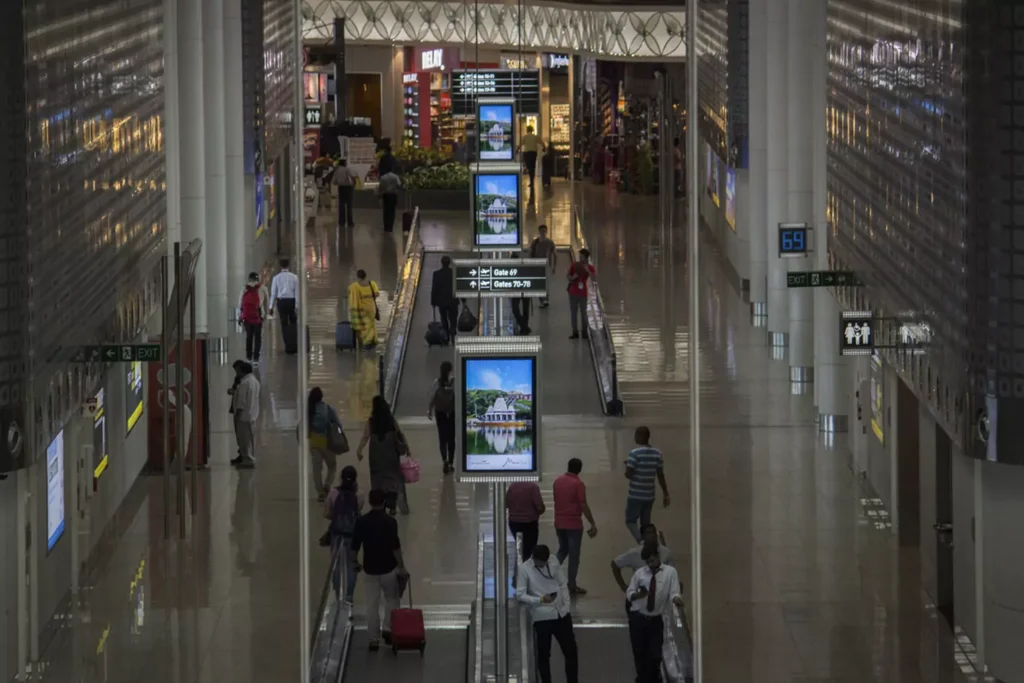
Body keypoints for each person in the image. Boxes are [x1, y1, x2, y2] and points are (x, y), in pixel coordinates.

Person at [351, 488, 409, 651]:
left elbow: (355, 546)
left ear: (370, 502)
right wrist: (402, 566)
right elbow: (395, 547)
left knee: (372, 605)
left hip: (370, 569)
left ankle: (373, 639)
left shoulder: (361, 522)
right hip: (389, 568)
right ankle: (388, 629)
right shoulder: (390, 522)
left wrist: (355, 562)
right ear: (384, 502)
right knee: (392, 600)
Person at [516, 545, 578, 683]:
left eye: (546, 561)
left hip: (560, 613)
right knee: (544, 655)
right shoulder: (524, 569)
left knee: (571, 651)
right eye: (541, 562)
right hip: (542, 616)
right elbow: (520, 595)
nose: (544, 564)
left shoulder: (553, 561)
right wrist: (540, 600)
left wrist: (566, 605)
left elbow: (563, 583)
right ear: (534, 559)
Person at [626, 547, 684, 683]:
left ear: (658, 556)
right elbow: (629, 593)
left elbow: (674, 592)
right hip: (638, 617)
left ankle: (653, 677)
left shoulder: (670, 573)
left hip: (655, 619)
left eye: (652, 560)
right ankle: (642, 678)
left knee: (655, 653)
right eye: (647, 562)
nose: (650, 564)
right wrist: (637, 595)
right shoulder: (640, 574)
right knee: (639, 651)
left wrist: (676, 599)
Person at [356, 396, 410, 515]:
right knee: (392, 479)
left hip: (376, 455)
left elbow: (365, 436)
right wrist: (407, 448)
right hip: (391, 454)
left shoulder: (371, 421)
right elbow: (400, 434)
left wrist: (359, 450)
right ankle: (392, 505)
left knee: (378, 480)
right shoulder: (390, 420)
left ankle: (381, 503)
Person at [552, 458, 597, 595]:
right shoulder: (578, 484)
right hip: (573, 524)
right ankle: (571, 584)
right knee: (574, 555)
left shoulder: (557, 481)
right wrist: (592, 522)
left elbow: (556, 499)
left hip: (559, 522)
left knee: (562, 550)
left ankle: (547, 573)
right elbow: (582, 504)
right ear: (580, 469)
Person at [323, 465, 364, 602]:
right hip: (352, 535)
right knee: (351, 563)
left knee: (336, 564)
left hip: (336, 534)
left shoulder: (333, 492)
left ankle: (337, 594)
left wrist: (336, 517)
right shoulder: (359, 494)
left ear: (341, 478)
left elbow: (327, 513)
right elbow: (357, 512)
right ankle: (349, 595)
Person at [624, 426, 670, 543]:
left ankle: (643, 542)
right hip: (649, 495)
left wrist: (627, 466)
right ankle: (652, 541)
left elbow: (628, 474)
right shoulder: (657, 454)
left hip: (635, 495)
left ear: (639, 437)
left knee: (630, 521)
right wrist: (666, 493)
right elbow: (660, 475)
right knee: (645, 524)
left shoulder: (634, 454)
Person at [611, 524, 674, 594]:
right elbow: (615, 564)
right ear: (643, 536)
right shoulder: (635, 553)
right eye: (648, 533)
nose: (652, 535)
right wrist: (623, 587)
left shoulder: (666, 552)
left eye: (653, 532)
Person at [308, 387, 342, 502]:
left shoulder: (309, 410)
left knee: (316, 469)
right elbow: (338, 425)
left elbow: (301, 427)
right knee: (332, 466)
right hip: (327, 442)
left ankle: (320, 493)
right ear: (322, 397)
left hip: (314, 443)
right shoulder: (328, 409)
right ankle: (327, 485)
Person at [229, 360, 260, 468]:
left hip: (243, 416)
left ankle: (248, 460)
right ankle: (247, 457)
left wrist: (237, 414)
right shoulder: (254, 381)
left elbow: (241, 401)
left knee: (244, 439)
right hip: (252, 414)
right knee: (249, 439)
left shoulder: (244, 383)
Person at [427, 361, 456, 473]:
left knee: (442, 437)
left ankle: (444, 460)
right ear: (450, 370)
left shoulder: (437, 382)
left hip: (440, 413)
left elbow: (432, 397)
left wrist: (429, 410)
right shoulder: (454, 382)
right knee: (451, 438)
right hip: (451, 412)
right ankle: (451, 463)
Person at [506, 480, 544, 561]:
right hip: (530, 523)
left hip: (514, 522)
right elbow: (540, 506)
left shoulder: (512, 486)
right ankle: (527, 568)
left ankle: (520, 566)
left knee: (520, 546)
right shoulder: (533, 487)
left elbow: (507, 504)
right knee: (530, 548)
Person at [238, 271, 269, 364]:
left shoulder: (244, 288)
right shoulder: (263, 288)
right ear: (257, 279)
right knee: (258, 337)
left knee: (249, 337)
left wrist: (241, 315)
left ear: (249, 279)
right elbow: (267, 302)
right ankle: (256, 358)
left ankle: (248, 357)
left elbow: (240, 303)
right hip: (258, 316)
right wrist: (266, 314)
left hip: (247, 317)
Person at [269, 259, 299, 352]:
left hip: (281, 302)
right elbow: (297, 292)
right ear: (289, 266)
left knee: (284, 324)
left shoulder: (276, 278)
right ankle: (294, 345)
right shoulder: (295, 277)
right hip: (292, 301)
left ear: (280, 266)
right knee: (293, 323)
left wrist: (271, 307)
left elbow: (273, 293)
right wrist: (297, 306)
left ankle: (287, 346)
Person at [567, 248, 596, 340]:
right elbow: (568, 275)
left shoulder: (589, 267)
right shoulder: (575, 265)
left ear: (586, 258)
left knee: (584, 313)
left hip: (583, 292)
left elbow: (594, 278)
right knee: (574, 313)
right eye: (579, 256)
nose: (580, 258)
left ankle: (584, 332)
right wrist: (572, 277)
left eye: (582, 257)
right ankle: (574, 331)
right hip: (573, 292)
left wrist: (588, 270)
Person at [347, 269, 380, 348]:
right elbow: (377, 294)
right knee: (371, 324)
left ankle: (367, 342)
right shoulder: (372, 283)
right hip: (371, 307)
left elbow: (349, 293)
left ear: (357, 276)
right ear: (365, 276)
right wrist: (369, 297)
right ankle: (373, 340)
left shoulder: (354, 286)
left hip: (362, 309)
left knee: (365, 325)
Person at [430, 255, 458, 340]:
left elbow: (434, 288)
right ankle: (452, 331)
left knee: (443, 317)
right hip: (453, 300)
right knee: (453, 317)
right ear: (449, 263)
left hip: (441, 301)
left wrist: (433, 301)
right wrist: (463, 299)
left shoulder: (436, 274)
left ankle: (446, 334)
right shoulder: (454, 273)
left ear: (442, 263)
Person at [528, 224, 557, 308]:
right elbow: (530, 253)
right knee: (538, 284)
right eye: (541, 231)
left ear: (546, 232)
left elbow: (555, 254)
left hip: (546, 265)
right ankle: (542, 300)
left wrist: (554, 266)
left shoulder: (550, 242)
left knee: (545, 283)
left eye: (544, 231)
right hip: (537, 265)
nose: (543, 232)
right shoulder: (535, 242)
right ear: (539, 232)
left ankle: (546, 300)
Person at [508, 252, 531, 334]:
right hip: (523, 290)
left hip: (519, 290)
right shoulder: (521, 268)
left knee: (516, 309)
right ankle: (524, 326)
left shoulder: (515, 269)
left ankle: (524, 327)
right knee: (524, 310)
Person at [333, 157, 357, 228]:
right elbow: (352, 177)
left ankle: (341, 222)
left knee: (341, 205)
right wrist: (354, 183)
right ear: (344, 163)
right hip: (348, 188)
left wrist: (339, 182)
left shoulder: (337, 171)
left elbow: (334, 181)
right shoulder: (347, 169)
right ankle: (350, 222)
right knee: (349, 206)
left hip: (341, 188)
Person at [520, 125, 544, 190]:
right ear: (532, 130)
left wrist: (517, 149)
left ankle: (531, 180)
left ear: (527, 130)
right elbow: (542, 143)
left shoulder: (524, 137)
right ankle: (532, 181)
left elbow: (520, 144)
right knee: (533, 167)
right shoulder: (536, 137)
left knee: (529, 167)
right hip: (533, 153)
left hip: (527, 153)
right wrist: (544, 148)